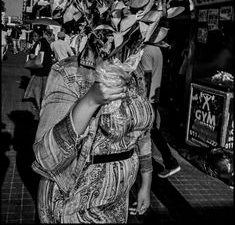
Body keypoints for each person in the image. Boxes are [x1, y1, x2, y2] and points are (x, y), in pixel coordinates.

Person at [32, 47, 154, 223]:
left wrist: (146, 183)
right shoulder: (70, 70)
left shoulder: (136, 70)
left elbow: (142, 135)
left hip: (119, 198)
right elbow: (46, 158)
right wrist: (91, 101)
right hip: (75, 202)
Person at [140, 43, 181, 178]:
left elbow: (147, 76)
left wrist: (144, 99)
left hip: (148, 97)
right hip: (154, 97)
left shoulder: (146, 50)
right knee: (152, 129)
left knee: (152, 130)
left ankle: (170, 162)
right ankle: (169, 162)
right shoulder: (156, 49)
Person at [24, 29, 54, 111]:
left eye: (35, 36)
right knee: (44, 89)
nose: (34, 38)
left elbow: (34, 56)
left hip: (39, 69)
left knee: (37, 89)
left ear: (40, 36)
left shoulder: (39, 43)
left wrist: (30, 54)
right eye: (33, 36)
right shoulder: (47, 43)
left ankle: (39, 106)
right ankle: (42, 106)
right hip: (47, 69)